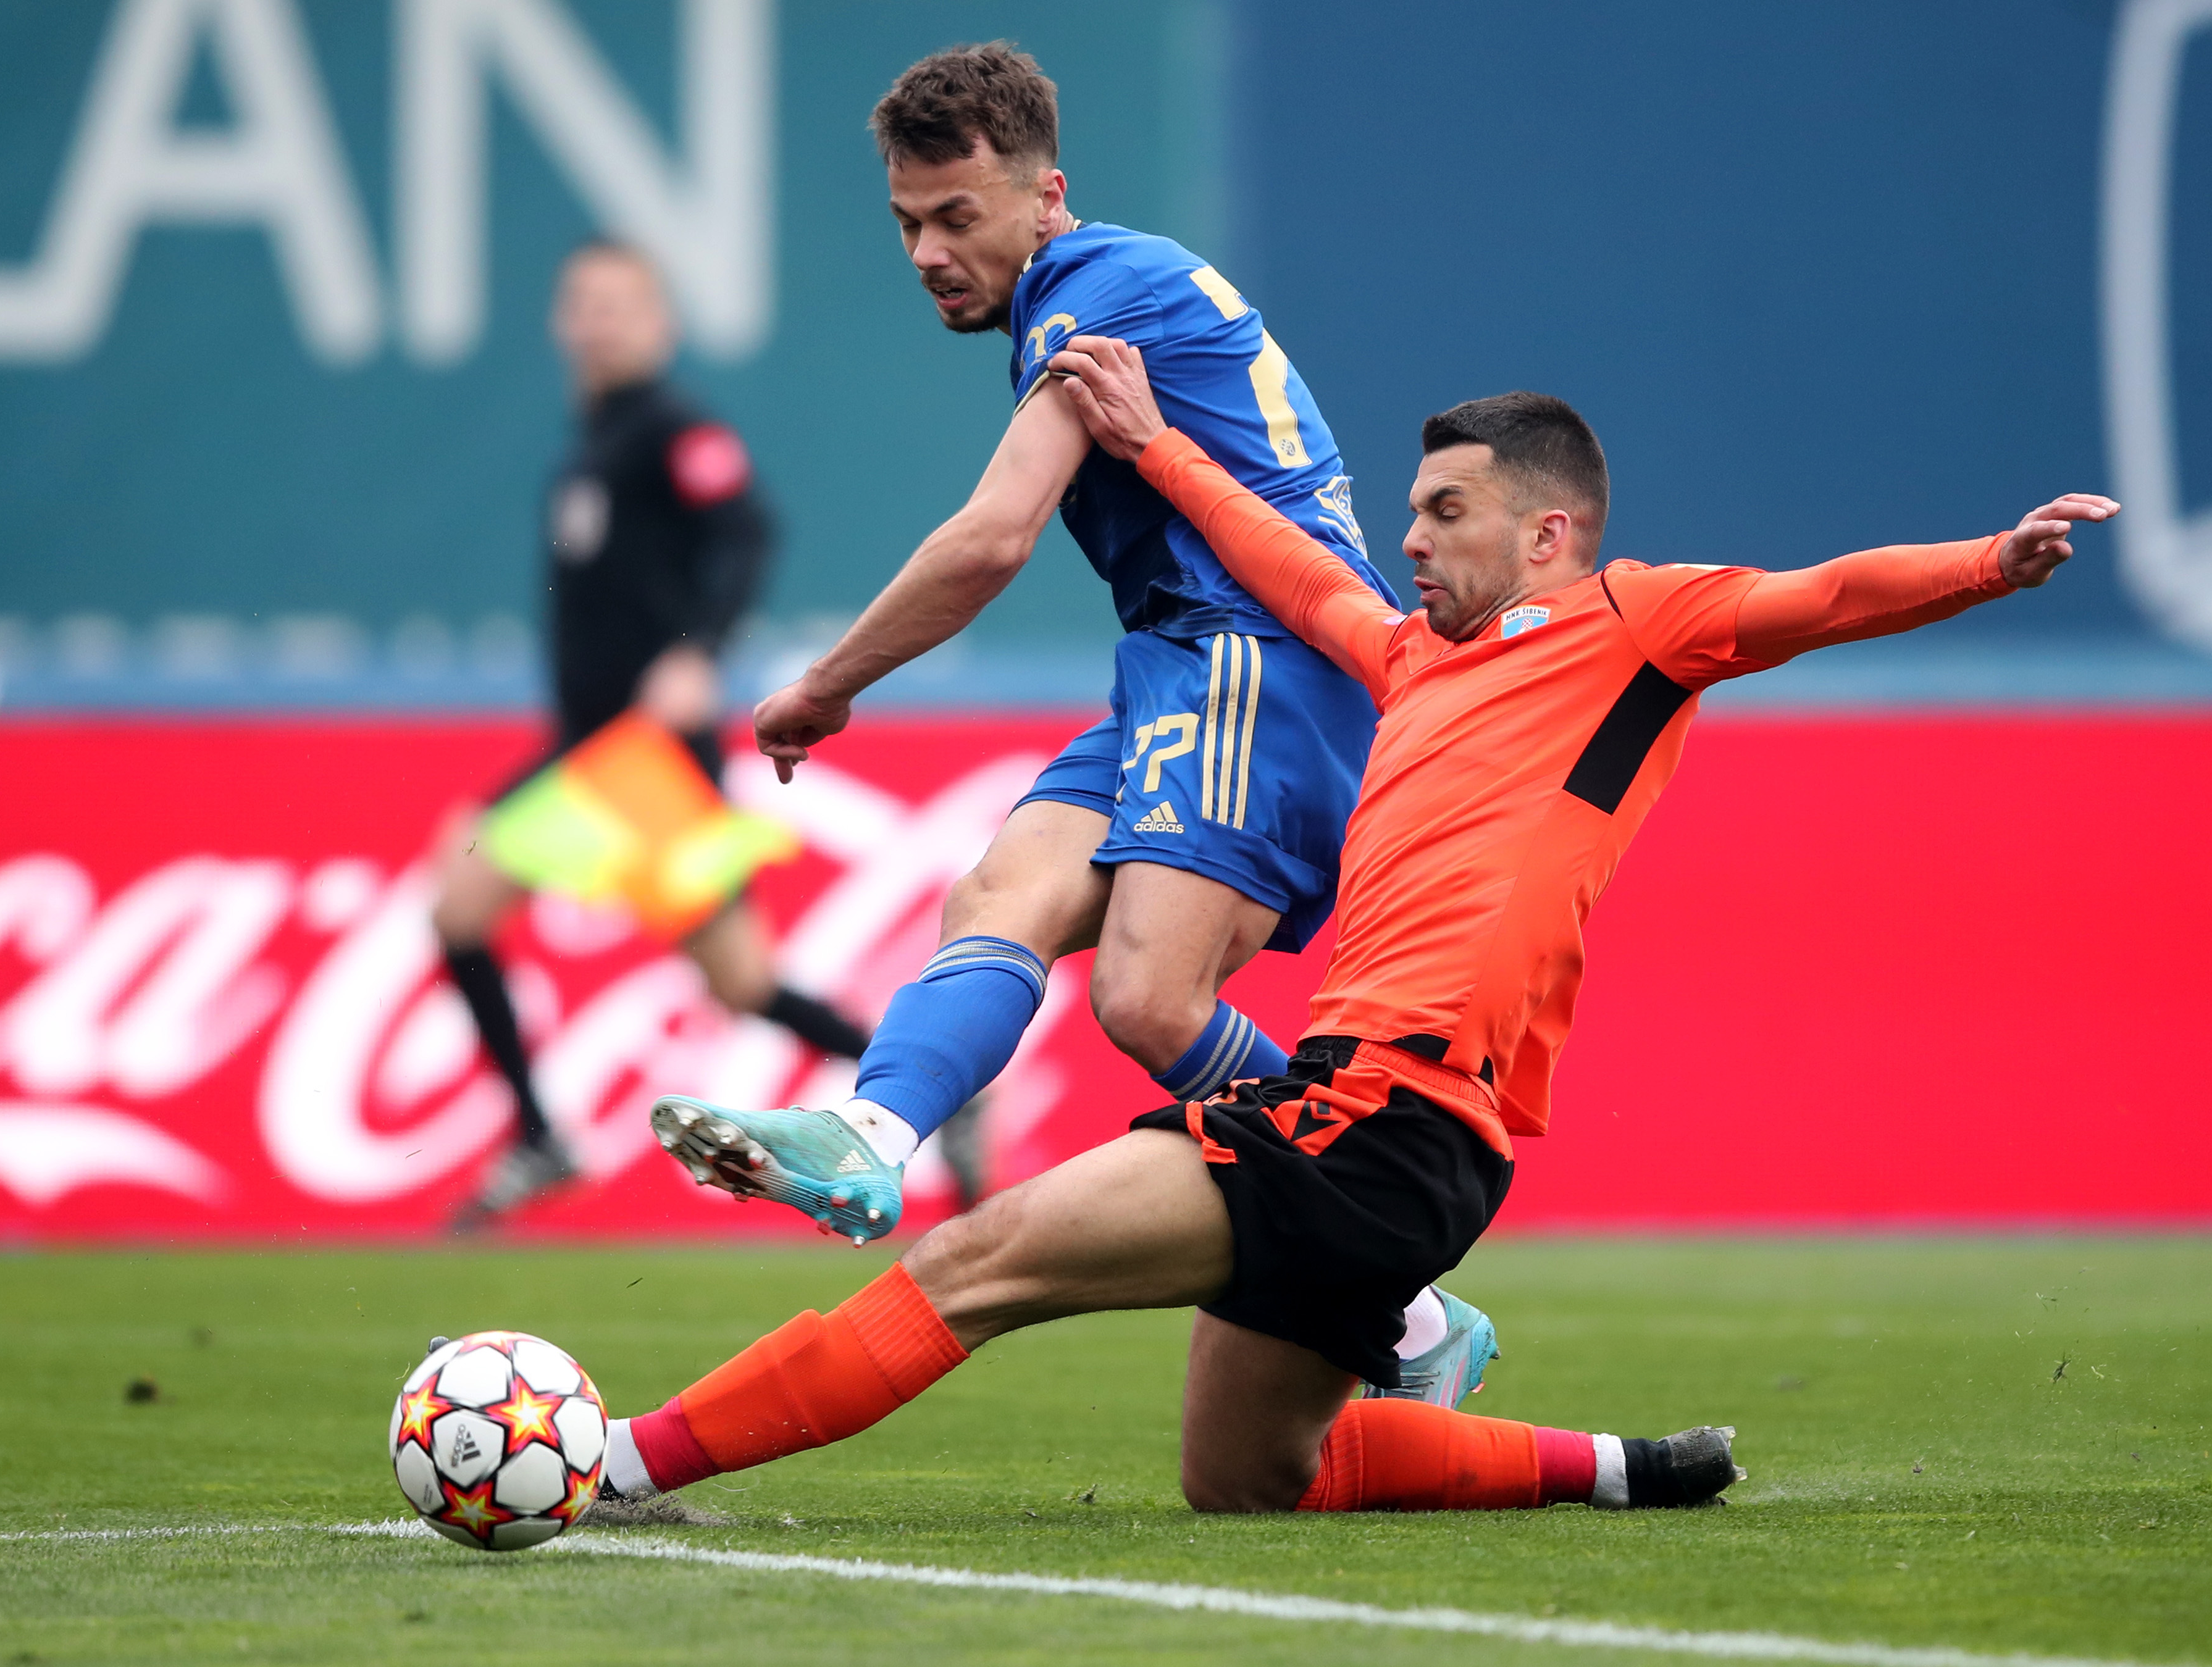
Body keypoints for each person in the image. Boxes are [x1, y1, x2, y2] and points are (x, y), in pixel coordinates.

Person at [587, 342, 2115, 1520]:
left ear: (1548, 533)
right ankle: (1616, 1469)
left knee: (977, 1259)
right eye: (1409, 512)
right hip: (1388, 1132)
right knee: (1246, 1480)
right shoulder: (1406, 659)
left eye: (1445, 512)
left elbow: (1826, 594)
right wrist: (1151, 445)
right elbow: (1278, 561)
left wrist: (1992, 559)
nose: (1411, 538)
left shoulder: (1631, 625)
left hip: (1381, 1113)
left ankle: (614, 1466)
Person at [644, 42, 1490, 1406]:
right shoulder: (1083, 292)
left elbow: (992, 539)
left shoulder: (1100, 291)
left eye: (955, 216)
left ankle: (1399, 1270)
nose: (928, 252)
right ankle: (869, 1136)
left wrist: (827, 684)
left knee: (1150, 1000)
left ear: (1046, 195)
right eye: (907, 222)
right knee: (998, 899)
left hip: (1263, 654)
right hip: (1181, 661)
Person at [432, 241, 874, 1226]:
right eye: (584, 303)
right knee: (461, 907)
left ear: (662, 324)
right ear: (561, 321)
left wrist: (699, 653)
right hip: (592, 760)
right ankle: (538, 1138)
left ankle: (933, 1091)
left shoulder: (676, 428)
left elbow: (749, 530)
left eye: (621, 304)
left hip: (646, 760)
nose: (600, 321)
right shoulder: (593, 445)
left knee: (743, 984)